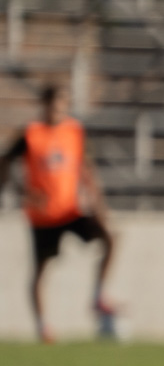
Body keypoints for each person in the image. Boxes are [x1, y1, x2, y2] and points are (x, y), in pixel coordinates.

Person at [1, 83, 118, 343]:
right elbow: (5, 163)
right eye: (53, 104)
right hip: (42, 216)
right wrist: (24, 192)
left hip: (70, 210)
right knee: (40, 271)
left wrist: (98, 204)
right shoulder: (31, 134)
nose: (57, 109)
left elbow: (85, 168)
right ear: (44, 105)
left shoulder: (74, 131)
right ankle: (43, 327)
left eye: (62, 104)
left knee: (110, 238)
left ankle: (98, 296)